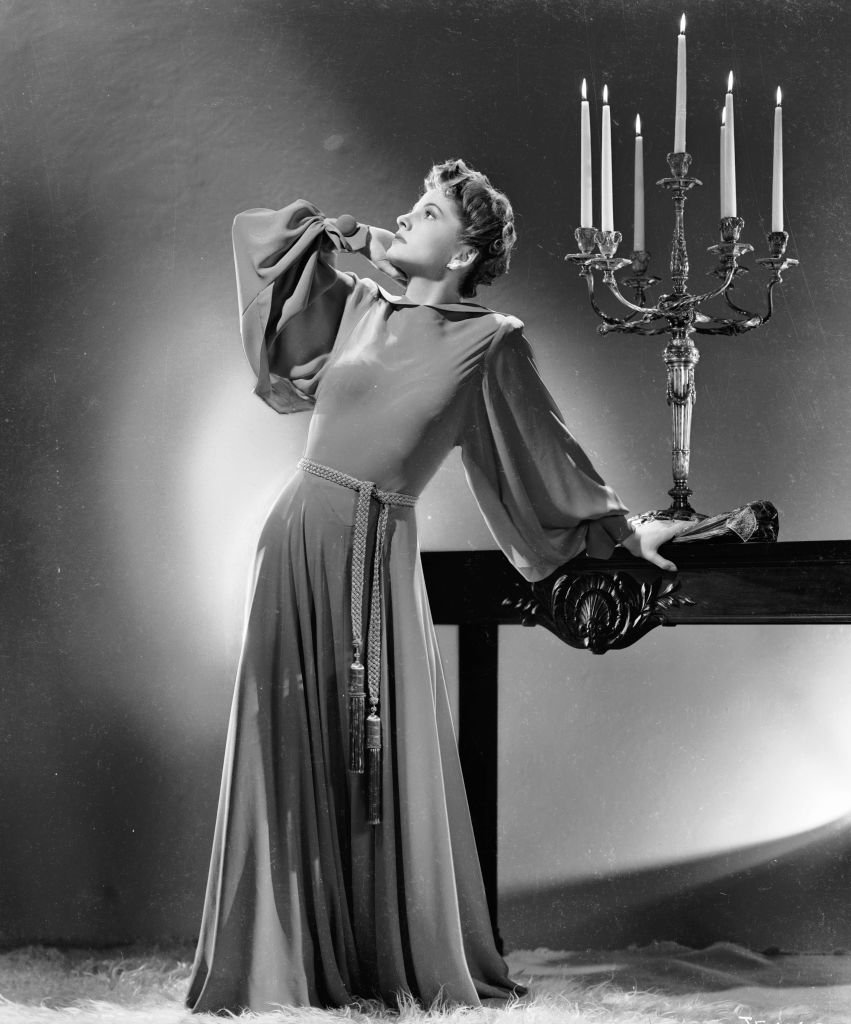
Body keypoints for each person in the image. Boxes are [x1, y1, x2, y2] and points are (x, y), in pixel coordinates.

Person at [186, 159, 685, 1014]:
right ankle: (284, 966)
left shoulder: (487, 341)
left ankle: (371, 961)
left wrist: (621, 525)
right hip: (295, 535)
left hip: (373, 547)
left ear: (465, 251)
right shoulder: (358, 307)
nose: (406, 216)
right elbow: (254, 237)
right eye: (409, 206)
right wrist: (353, 240)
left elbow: (541, 455)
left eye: (427, 212)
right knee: (285, 738)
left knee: (368, 751)